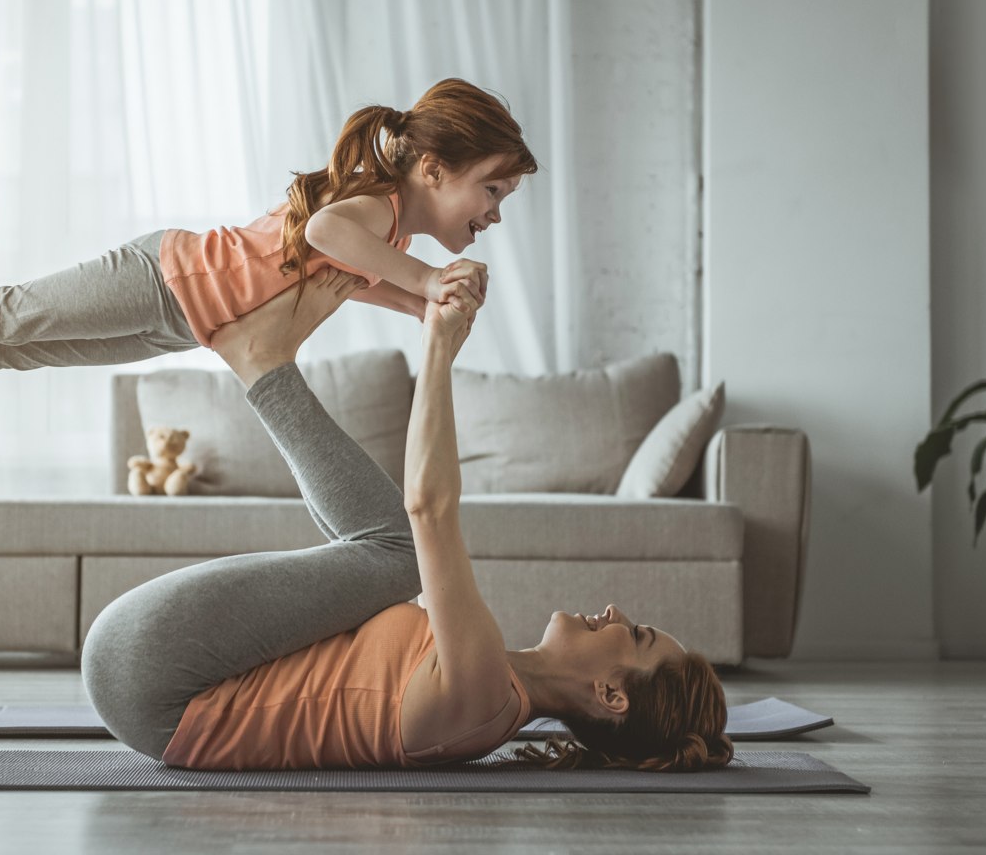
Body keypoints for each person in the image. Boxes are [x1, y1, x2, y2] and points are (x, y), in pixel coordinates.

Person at [81, 266, 734, 772]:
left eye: (639, 635)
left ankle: (263, 362)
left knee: (398, 556)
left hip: (154, 677)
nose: (618, 612)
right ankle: (264, 362)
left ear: (611, 696)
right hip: (151, 678)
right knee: (390, 558)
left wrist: (439, 347)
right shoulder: (490, 686)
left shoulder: (484, 698)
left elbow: (429, 510)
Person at [0, 78, 537, 409]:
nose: (495, 210)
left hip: (183, 322)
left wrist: (419, 309)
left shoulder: (385, 230)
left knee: (2, 352)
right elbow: (324, 232)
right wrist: (429, 283)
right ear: (433, 168)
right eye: (492, 188)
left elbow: (351, 276)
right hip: (165, 277)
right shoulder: (373, 206)